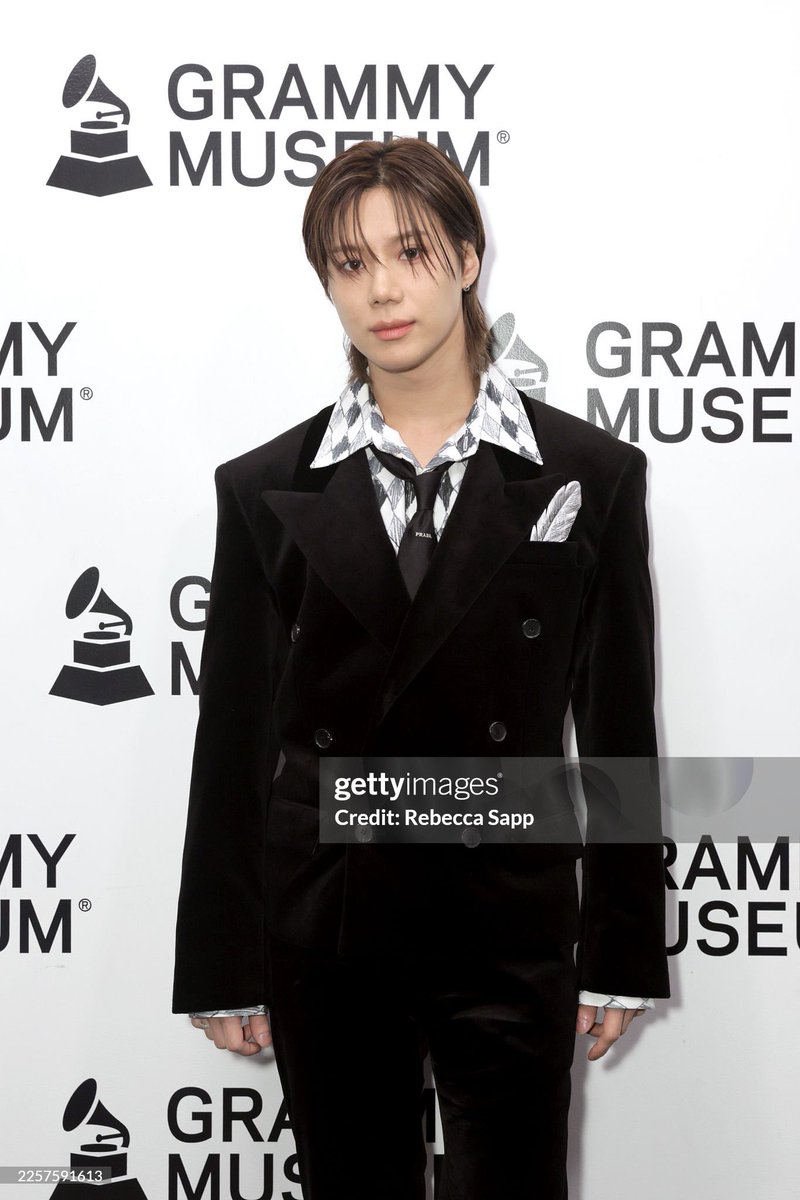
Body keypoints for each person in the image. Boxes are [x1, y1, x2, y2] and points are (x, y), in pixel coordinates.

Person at [172, 137, 670, 1199]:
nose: (382, 289)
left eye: (408, 250)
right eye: (349, 265)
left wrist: (621, 943)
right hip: (328, 921)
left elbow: (616, 720)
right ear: (325, 285)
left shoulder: (590, 475)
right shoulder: (263, 490)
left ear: (466, 255)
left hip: (508, 916)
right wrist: (220, 959)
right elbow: (234, 743)